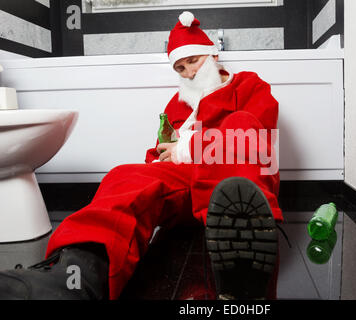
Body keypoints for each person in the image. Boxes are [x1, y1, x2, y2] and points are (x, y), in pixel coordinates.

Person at [0, 11, 283, 300]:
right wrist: (163, 157)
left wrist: (188, 147)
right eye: (181, 68)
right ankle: (75, 275)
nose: (189, 73)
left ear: (211, 55)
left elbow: (258, 138)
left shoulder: (248, 85)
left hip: (236, 178)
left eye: (193, 61)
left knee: (241, 124)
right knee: (125, 175)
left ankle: (244, 257)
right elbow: (158, 154)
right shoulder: (178, 103)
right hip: (189, 183)